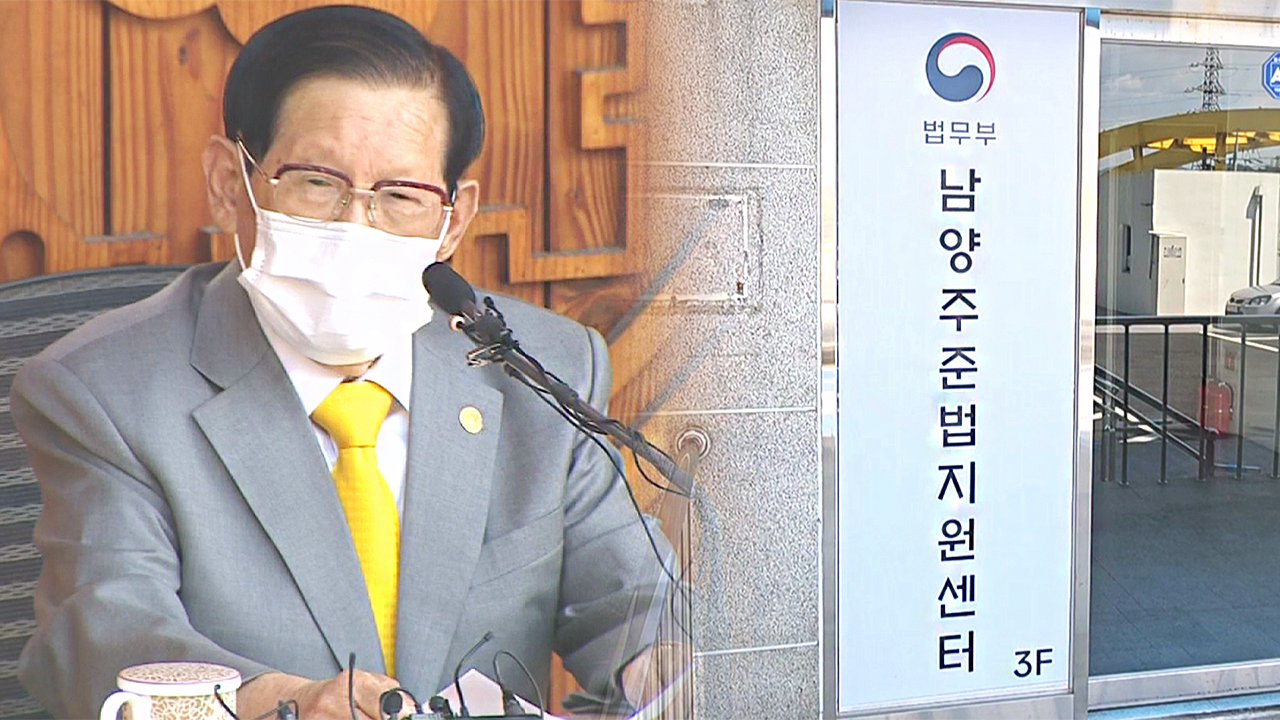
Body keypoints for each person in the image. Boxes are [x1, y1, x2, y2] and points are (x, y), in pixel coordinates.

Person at [12, 6, 672, 720]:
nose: (357, 226)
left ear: (453, 220)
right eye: (317, 183)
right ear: (230, 183)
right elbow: (106, 642)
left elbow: (634, 607)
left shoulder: (537, 370)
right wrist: (284, 703)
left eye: (401, 195)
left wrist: (671, 672)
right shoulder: (104, 392)